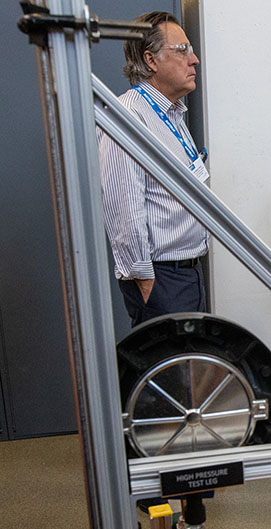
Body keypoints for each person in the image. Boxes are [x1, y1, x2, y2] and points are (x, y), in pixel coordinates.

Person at [98, 11, 209, 328]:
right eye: (183, 50)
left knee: (186, 371)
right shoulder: (129, 116)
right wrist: (146, 283)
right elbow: (123, 209)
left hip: (186, 274)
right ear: (151, 60)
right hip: (161, 280)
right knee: (167, 373)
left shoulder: (172, 114)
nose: (195, 59)